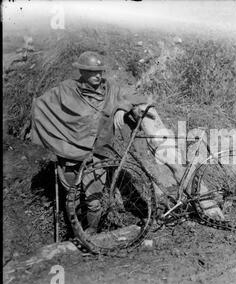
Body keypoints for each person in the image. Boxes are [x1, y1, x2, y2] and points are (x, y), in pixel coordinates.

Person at [31, 51, 150, 235]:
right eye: (93, 72)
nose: (98, 75)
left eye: (100, 71)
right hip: (70, 153)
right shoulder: (66, 89)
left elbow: (135, 97)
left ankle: (92, 232)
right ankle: (76, 232)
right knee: (72, 196)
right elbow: (40, 106)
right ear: (82, 72)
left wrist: (121, 108)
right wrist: (57, 139)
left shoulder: (110, 89)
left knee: (93, 198)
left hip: (98, 153)